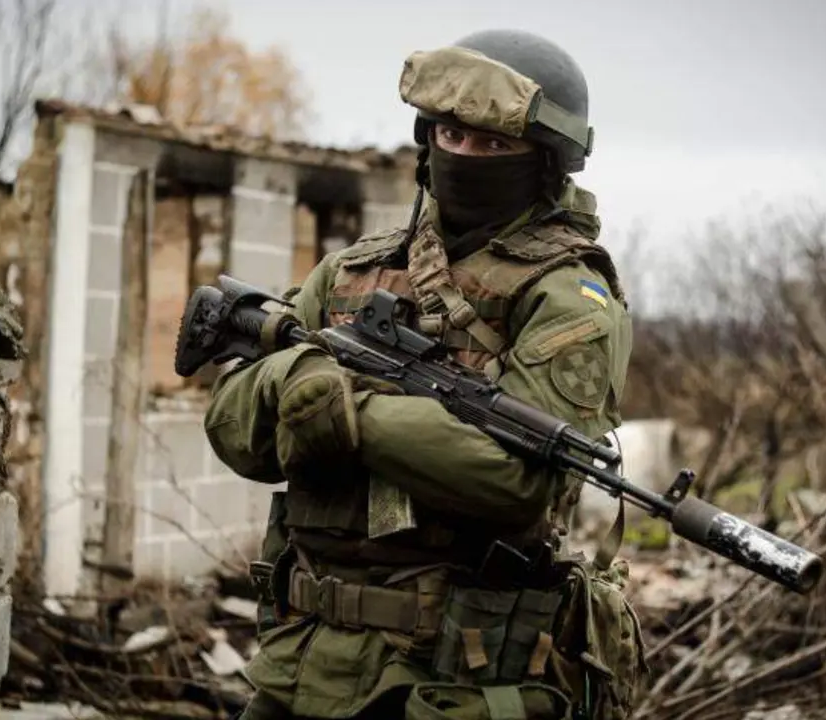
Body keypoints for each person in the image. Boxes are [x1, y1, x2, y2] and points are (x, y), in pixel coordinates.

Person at [204, 28, 647, 720]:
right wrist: (289, 383)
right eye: (449, 134)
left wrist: (353, 412)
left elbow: (517, 480)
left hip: (456, 678)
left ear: (546, 161)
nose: (465, 154)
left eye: (493, 143)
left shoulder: (568, 296)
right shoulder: (350, 272)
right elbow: (231, 428)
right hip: (300, 661)